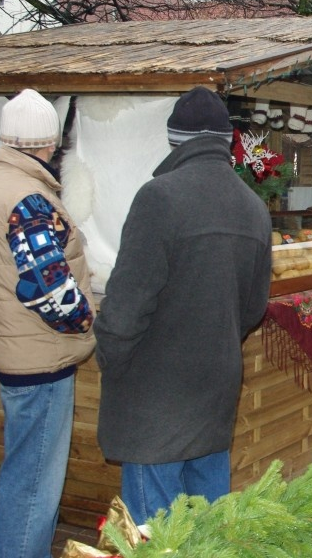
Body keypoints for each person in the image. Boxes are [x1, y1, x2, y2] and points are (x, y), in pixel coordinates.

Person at [94, 86, 273, 519]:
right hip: (214, 389)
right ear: (226, 141)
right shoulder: (253, 208)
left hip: (154, 399)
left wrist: (111, 358)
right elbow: (252, 308)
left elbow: (125, 306)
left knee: (152, 536)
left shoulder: (159, 198)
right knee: (208, 531)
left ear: (176, 141)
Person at [0, 89, 95, 558]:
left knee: (22, 471)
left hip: (12, 351)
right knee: (35, 482)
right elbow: (46, 286)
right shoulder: (28, 199)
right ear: (47, 142)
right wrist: (84, 319)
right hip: (40, 360)